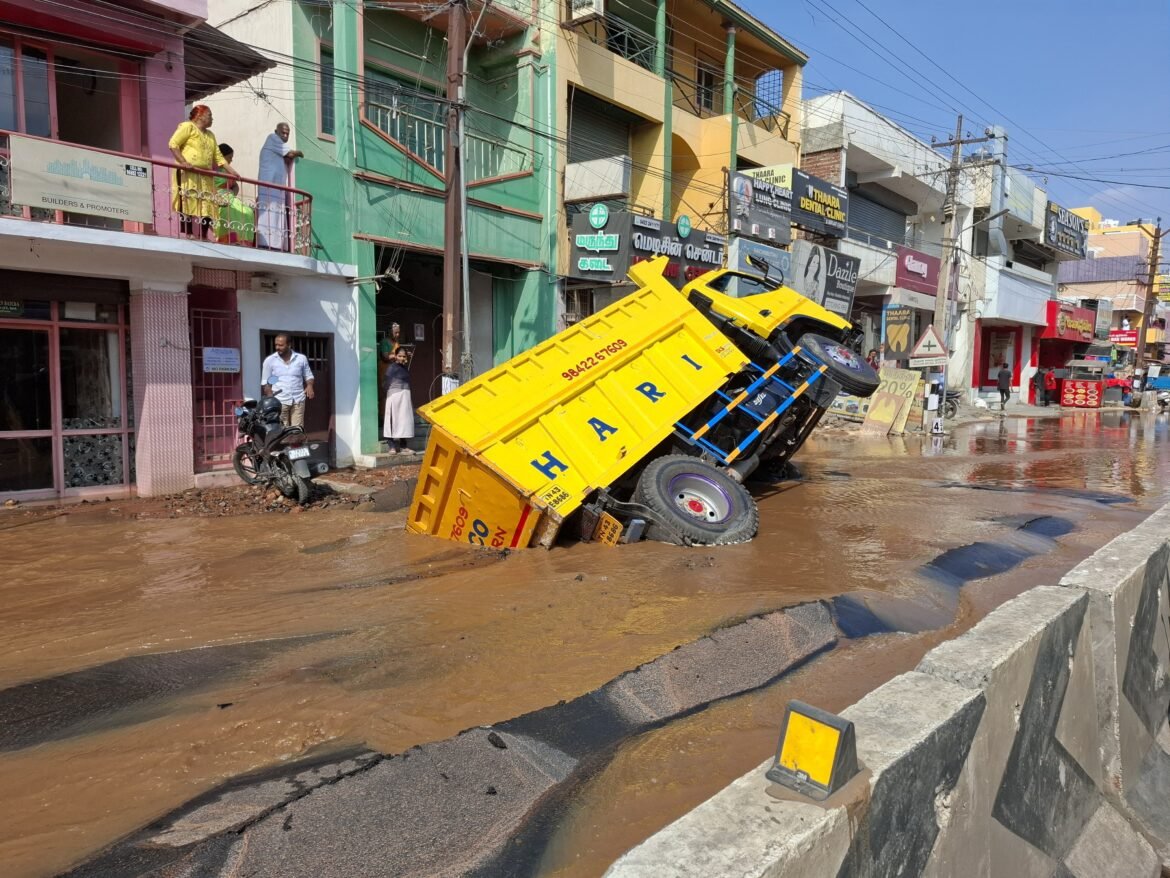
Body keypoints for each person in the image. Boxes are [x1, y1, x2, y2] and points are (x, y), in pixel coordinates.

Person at [169, 105, 237, 238]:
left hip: (206, 175)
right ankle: (189, 233)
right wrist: (183, 162)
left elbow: (218, 157)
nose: (212, 119)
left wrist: (232, 172)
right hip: (188, 172)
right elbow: (173, 144)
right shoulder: (187, 127)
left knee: (208, 203)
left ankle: (203, 235)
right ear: (199, 116)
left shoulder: (211, 135)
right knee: (187, 199)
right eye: (210, 115)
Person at [256, 123, 304, 250]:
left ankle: (276, 244)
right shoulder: (272, 138)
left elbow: (286, 157)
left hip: (276, 187)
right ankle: (266, 243)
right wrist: (299, 152)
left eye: (287, 133)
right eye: (283, 132)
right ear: (276, 131)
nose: (285, 135)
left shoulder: (279, 146)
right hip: (269, 185)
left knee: (277, 213)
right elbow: (291, 154)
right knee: (268, 213)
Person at [261, 333, 315, 428]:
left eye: (281, 345)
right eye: (276, 345)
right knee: (281, 431)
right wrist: (271, 399)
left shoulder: (301, 359)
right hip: (279, 401)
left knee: (297, 431)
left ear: (289, 345)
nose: (277, 347)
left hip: (298, 399)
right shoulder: (270, 360)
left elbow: (309, 376)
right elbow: (266, 383)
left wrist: (309, 385)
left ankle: (295, 443)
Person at [213, 144, 255, 245]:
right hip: (217, 197)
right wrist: (219, 197)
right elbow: (209, 185)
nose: (231, 160)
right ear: (222, 157)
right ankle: (230, 240)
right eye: (229, 158)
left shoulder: (228, 170)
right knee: (229, 212)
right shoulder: (212, 168)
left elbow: (235, 186)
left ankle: (243, 241)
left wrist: (232, 194)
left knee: (248, 212)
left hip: (230, 197)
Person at [382, 347, 415, 454]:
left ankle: (403, 446)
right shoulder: (392, 368)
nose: (402, 358)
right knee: (391, 420)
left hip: (405, 396)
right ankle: (391, 446)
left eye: (404, 356)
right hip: (394, 396)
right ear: (395, 356)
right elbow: (386, 383)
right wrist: (389, 393)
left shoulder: (405, 368)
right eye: (399, 356)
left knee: (404, 420)